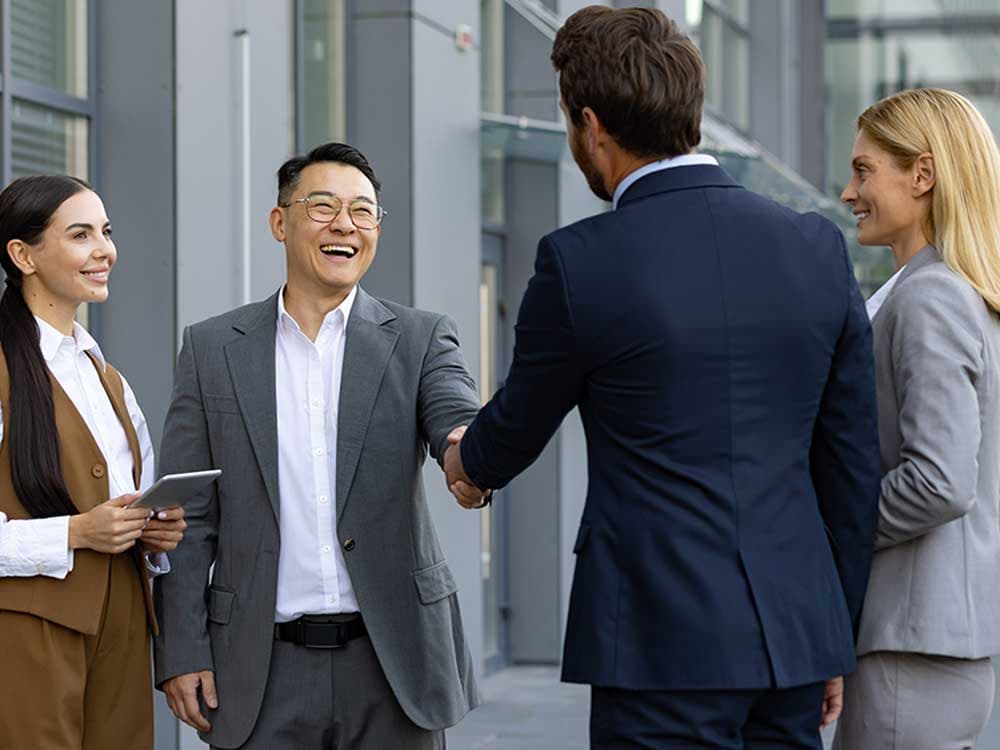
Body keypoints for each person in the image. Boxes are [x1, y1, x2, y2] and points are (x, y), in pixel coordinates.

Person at [443, 6, 881, 749]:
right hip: (794, 643)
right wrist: (828, 634)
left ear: (591, 126)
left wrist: (463, 459)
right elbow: (851, 469)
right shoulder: (815, 247)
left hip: (657, 648)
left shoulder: (580, 262)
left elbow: (513, 428)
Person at [154, 142, 483, 749]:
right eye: (324, 206)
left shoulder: (419, 338)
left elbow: (456, 418)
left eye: (364, 212)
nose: (345, 225)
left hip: (392, 663)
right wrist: (181, 647)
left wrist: (472, 455)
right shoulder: (210, 350)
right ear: (280, 222)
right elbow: (186, 516)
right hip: (259, 669)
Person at [832, 88, 1000, 750]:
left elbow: (940, 480)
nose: (849, 192)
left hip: (913, 649)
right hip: (928, 647)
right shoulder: (951, 293)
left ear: (923, 176)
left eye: (865, 170)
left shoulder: (932, 298)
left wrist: (834, 528)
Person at [0, 175, 186, 749]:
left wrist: (153, 532)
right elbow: (85, 528)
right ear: (22, 254)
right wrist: (77, 533)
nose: (104, 249)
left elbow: (137, 496)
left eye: (106, 232)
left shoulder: (108, 379)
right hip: (27, 636)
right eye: (80, 234)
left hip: (124, 630)